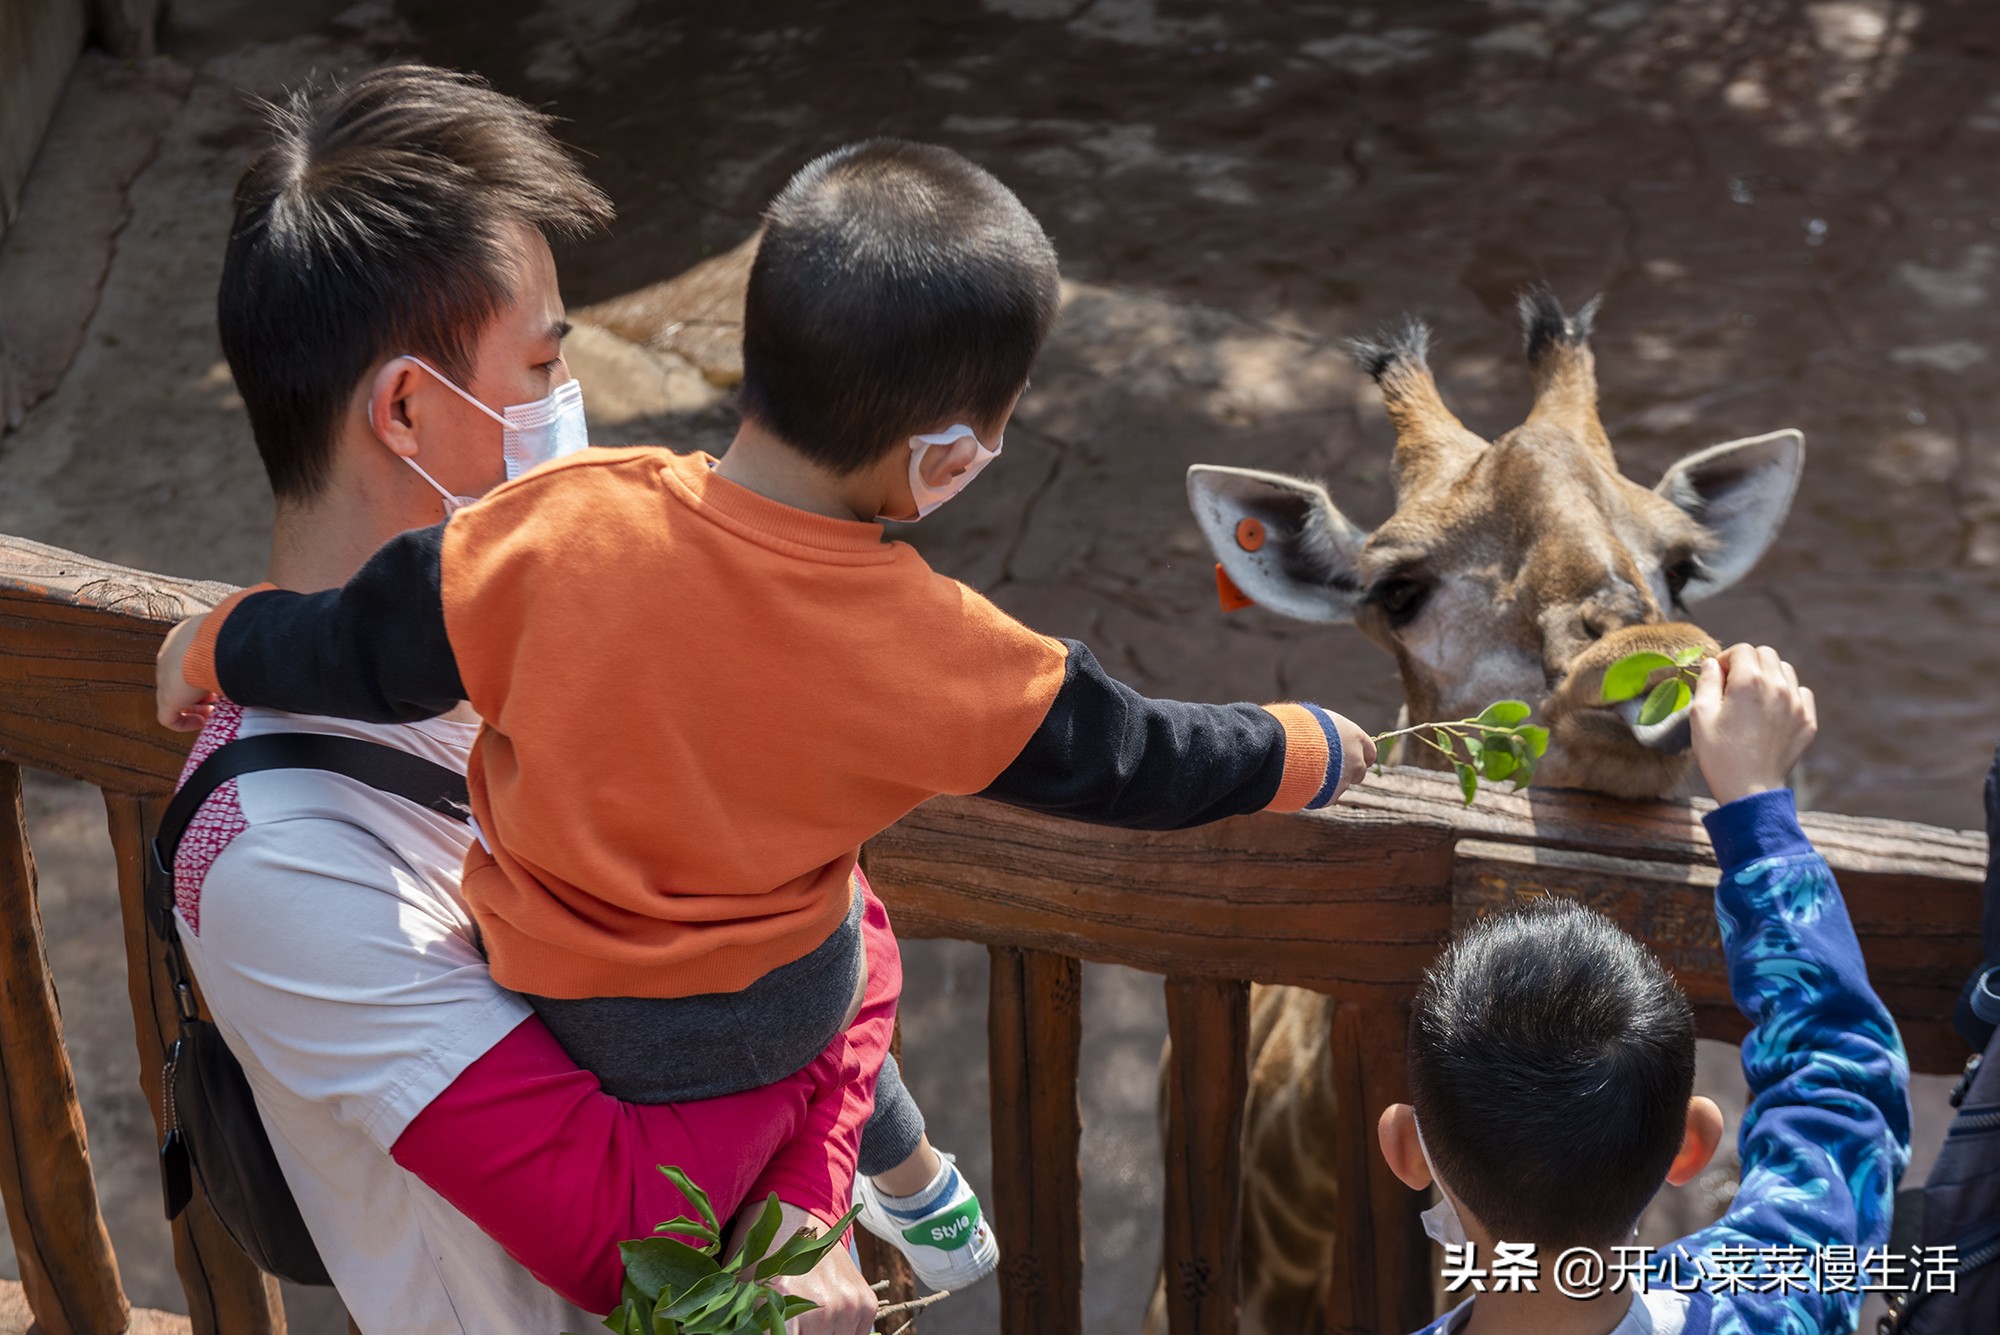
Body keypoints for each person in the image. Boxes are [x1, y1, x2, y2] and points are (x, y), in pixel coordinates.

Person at [155, 137, 1381, 1285]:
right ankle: (908, 1177)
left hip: (588, 1000)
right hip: (753, 1042)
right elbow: (1133, 759)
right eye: (543, 365)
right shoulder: (935, 648)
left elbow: (346, 645)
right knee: (835, 946)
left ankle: (904, 1173)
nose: (566, 394)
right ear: (948, 460)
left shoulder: (543, 535)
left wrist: (213, 640)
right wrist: (1299, 746)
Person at [165, 64, 884, 1334]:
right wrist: (807, 1194)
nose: (578, 413)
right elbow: (645, 1236)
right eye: (546, 362)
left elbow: (842, 919)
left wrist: (797, 1178)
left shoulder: (567, 639)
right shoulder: (276, 859)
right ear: (404, 410)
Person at [1377, 644, 1913, 1335]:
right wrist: (1756, 809)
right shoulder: (1769, 1298)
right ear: (1691, 1143)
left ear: (1405, 1149)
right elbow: (1842, 1082)